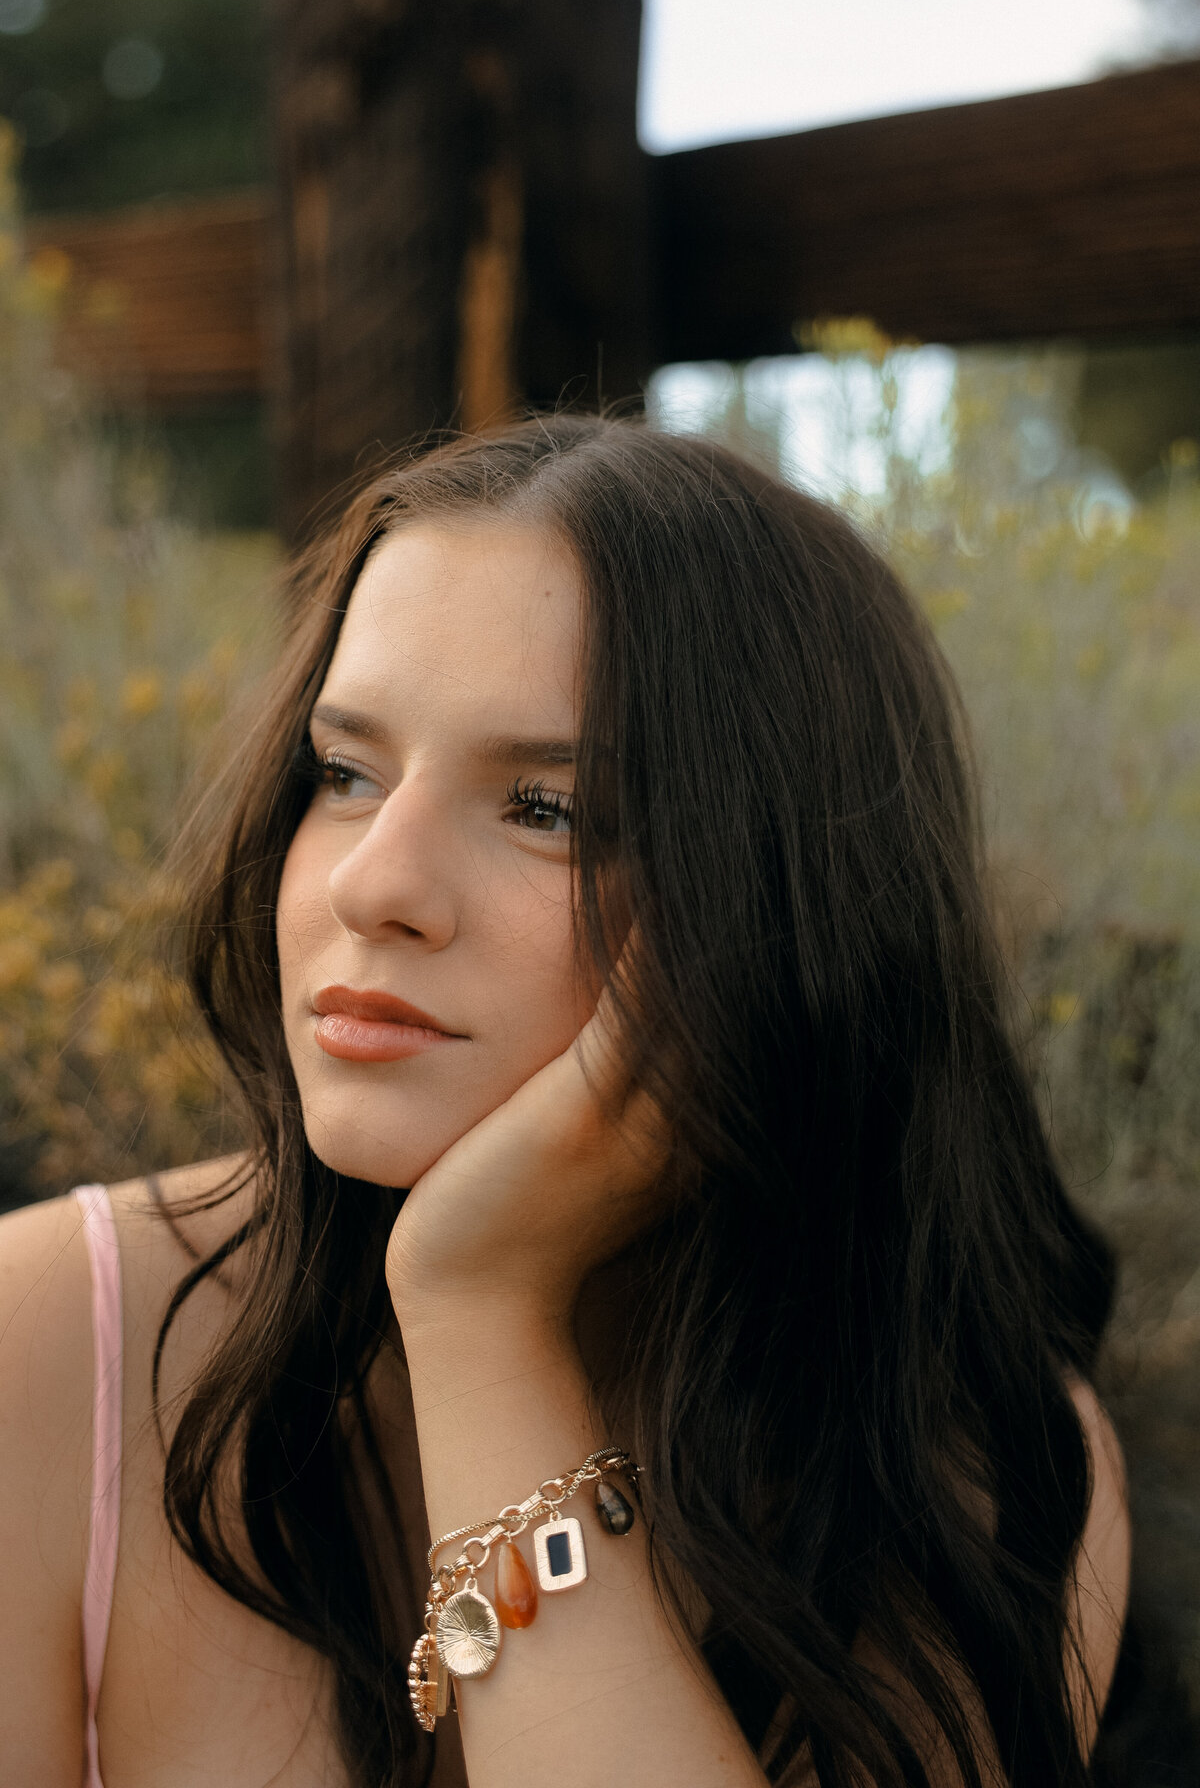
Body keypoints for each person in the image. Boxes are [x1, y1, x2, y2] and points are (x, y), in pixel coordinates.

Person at [0, 415, 1129, 1788]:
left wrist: (483, 1312)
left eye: (547, 808)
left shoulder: (976, 1464)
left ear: (781, 913)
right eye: (346, 773)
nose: (375, 886)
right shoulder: (53, 1341)